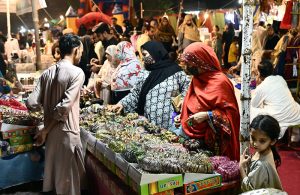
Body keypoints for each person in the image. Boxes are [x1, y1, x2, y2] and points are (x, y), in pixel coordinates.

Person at [26, 34, 86, 195]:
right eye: (80, 50)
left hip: (51, 135)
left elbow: (31, 102)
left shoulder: (47, 73)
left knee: (56, 183)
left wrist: (43, 125)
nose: (81, 54)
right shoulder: (77, 73)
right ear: (75, 50)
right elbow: (64, 108)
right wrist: (45, 129)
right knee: (69, 184)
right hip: (67, 134)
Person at [178, 42, 240, 160]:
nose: (186, 66)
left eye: (189, 62)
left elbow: (232, 114)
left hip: (212, 140)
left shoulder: (220, 82)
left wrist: (208, 115)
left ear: (201, 61)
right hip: (190, 132)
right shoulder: (197, 79)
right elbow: (192, 101)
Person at [110, 41, 190, 129]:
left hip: (172, 123)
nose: (143, 58)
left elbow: (188, 89)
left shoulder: (175, 71)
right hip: (149, 123)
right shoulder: (144, 72)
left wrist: (182, 101)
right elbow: (135, 94)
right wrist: (122, 103)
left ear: (155, 53)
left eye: (145, 55)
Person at [251, 60, 300, 139]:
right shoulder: (280, 78)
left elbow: (254, 104)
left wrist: (257, 85)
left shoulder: (262, 86)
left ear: (259, 73)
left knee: (251, 110)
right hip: (293, 113)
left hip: (278, 116)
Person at [240, 115, 283, 192]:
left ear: (273, 141)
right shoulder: (266, 150)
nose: (255, 144)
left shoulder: (261, 165)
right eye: (253, 138)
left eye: (262, 141)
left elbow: (250, 190)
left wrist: (241, 168)